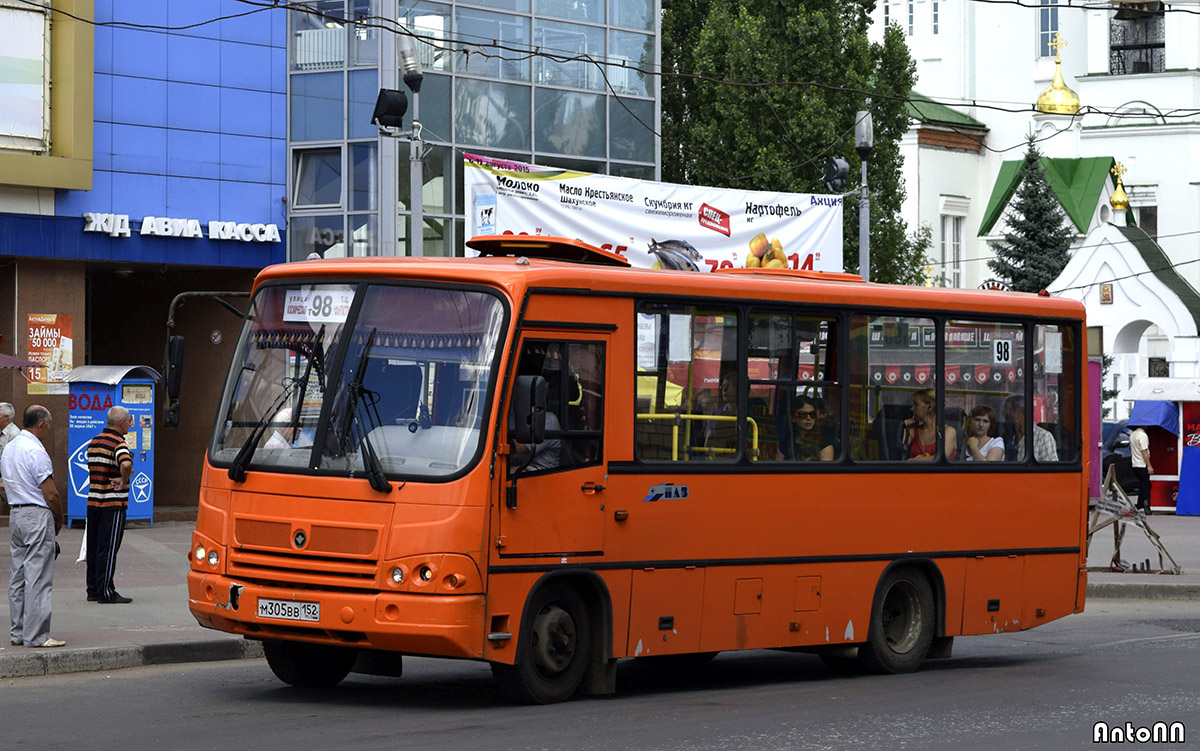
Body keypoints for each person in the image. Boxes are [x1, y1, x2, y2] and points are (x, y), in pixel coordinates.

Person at [2, 405, 65, 648]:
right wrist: (58, 520)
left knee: (17, 576)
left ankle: (18, 632)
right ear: (41, 425)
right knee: (38, 577)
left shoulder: (10, 448)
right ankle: (37, 635)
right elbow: (51, 494)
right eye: (48, 425)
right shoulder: (35, 451)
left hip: (16, 513)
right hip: (36, 514)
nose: (48, 429)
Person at [86, 406, 135, 604]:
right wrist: (123, 480)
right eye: (129, 421)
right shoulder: (119, 442)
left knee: (94, 547)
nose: (130, 425)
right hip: (112, 504)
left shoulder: (94, 441)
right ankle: (106, 592)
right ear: (122, 423)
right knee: (109, 548)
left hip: (93, 501)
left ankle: (93, 589)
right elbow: (126, 464)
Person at [902, 388, 958, 461]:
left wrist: (912, 461)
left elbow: (941, 458)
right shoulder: (913, 431)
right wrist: (905, 426)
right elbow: (899, 452)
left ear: (930, 407)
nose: (912, 409)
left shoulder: (949, 431)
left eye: (916, 405)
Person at [1003, 395, 1057, 462]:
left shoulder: (1043, 437)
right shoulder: (1007, 436)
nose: (1004, 413)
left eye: (1007, 409)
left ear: (1018, 410)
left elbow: (1051, 469)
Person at [790, 396, 835, 461]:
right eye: (803, 415)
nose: (809, 418)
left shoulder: (824, 443)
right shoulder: (788, 440)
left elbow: (825, 469)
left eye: (812, 414)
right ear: (793, 418)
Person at [0, 402, 20, 512]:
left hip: (7, 481)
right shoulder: (2, 432)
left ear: (6, 417)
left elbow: (14, 460)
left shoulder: (14, 434)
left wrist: (4, 481)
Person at [1129, 425, 1153, 512]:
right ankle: (1140, 504)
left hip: (1135, 464)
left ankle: (1144, 503)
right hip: (1142, 464)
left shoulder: (1132, 434)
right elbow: (1144, 451)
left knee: (1144, 485)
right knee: (1145, 486)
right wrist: (1149, 465)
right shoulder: (1143, 435)